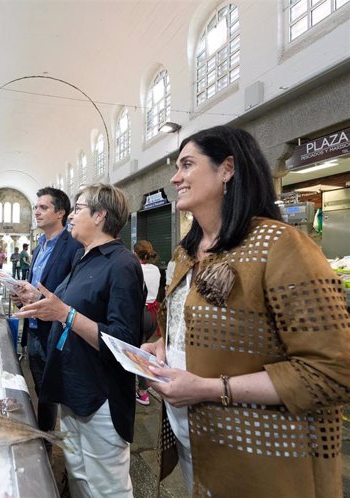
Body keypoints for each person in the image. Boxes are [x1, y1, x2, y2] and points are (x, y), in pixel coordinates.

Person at [142, 126, 350, 497]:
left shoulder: (283, 246)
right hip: (195, 441)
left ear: (227, 169)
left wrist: (208, 389)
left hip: (261, 455)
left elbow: (331, 371)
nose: (175, 177)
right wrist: (161, 345)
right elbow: (180, 325)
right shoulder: (186, 251)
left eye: (187, 165)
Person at [16, 183, 144, 498]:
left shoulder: (122, 264)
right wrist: (33, 296)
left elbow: (124, 340)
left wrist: (66, 315)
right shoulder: (83, 258)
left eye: (78, 209)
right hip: (72, 387)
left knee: (106, 487)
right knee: (79, 477)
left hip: (100, 395)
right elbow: (59, 301)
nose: (71, 217)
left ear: (100, 215)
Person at [13, 187, 81, 437]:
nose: (37, 212)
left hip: (55, 332)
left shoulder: (73, 247)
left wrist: (40, 298)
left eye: (44, 208)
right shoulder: (39, 246)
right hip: (33, 330)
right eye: (36, 207)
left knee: (55, 393)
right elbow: (36, 285)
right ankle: (45, 436)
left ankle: (51, 440)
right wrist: (22, 297)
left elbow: (74, 293)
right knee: (41, 389)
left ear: (61, 212)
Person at [134, 240, 161, 406]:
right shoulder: (155, 269)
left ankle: (143, 392)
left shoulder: (137, 269)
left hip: (141, 313)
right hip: (153, 314)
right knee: (144, 349)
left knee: (139, 353)